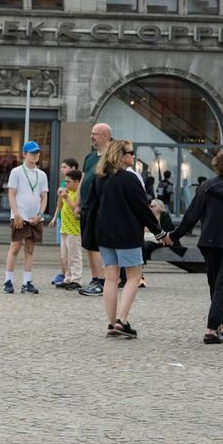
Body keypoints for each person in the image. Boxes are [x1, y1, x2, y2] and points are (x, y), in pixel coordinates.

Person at [168, 147, 223, 343]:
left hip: (209, 242)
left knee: (216, 283)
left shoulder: (206, 186)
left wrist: (174, 236)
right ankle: (210, 330)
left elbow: (191, 216)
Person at [91, 140, 170, 339]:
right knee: (134, 276)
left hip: (105, 235)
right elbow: (142, 209)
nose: (133, 156)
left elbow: (91, 208)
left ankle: (111, 323)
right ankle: (121, 320)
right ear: (120, 155)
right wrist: (159, 233)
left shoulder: (99, 178)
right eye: (130, 153)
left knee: (111, 278)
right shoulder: (129, 179)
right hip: (127, 234)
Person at [3, 141, 49, 294]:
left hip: (35, 217)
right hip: (19, 215)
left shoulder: (41, 174)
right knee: (15, 247)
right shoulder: (16, 172)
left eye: (37, 153)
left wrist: (40, 215)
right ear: (24, 154)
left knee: (30, 248)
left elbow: (44, 197)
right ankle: (8, 280)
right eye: (32, 153)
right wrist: (16, 214)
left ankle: (26, 281)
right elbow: (11, 194)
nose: (35, 155)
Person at [79, 123, 113, 295]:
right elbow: (83, 181)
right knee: (89, 245)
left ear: (106, 137)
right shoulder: (90, 157)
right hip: (86, 207)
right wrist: (78, 204)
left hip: (100, 208)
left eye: (96, 134)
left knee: (97, 246)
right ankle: (95, 279)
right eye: (91, 133)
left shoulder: (110, 158)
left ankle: (102, 280)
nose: (92, 137)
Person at [50, 168, 84, 290]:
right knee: (65, 256)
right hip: (64, 229)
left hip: (74, 231)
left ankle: (76, 279)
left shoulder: (78, 194)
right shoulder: (67, 192)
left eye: (68, 182)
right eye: (65, 182)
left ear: (76, 182)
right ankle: (68, 278)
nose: (66, 184)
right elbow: (59, 206)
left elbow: (76, 208)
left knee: (74, 256)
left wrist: (67, 198)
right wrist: (61, 196)